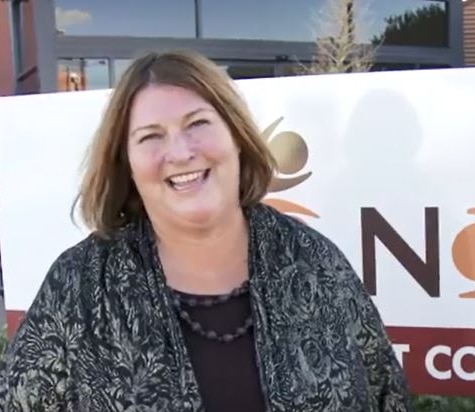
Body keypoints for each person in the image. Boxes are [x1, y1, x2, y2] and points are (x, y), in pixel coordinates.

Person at [0, 49, 412, 412]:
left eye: (197, 123)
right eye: (150, 137)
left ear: (236, 134)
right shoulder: (80, 286)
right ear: (126, 163)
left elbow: (386, 395)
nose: (180, 153)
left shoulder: (314, 262)